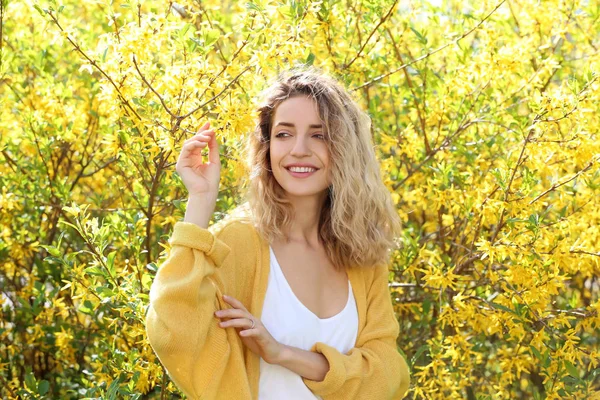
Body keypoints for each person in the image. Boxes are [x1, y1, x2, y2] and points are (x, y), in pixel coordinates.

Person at [145, 66, 410, 399]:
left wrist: (283, 354)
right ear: (266, 147)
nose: (299, 149)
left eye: (319, 134)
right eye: (284, 134)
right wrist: (200, 200)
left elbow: (388, 375)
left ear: (345, 148)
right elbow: (175, 333)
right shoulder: (238, 241)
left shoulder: (362, 252)